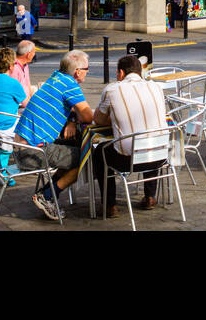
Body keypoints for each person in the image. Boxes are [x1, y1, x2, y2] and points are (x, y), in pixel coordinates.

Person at [12, 50, 95, 220]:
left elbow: (71, 108)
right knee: (87, 158)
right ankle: (48, 195)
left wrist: (72, 119)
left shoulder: (56, 76)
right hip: (33, 152)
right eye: (87, 69)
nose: (88, 72)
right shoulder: (70, 84)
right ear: (77, 72)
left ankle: (47, 193)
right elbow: (87, 116)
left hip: (21, 146)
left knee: (71, 148)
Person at [91, 54, 169, 217]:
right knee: (150, 140)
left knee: (99, 152)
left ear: (120, 73)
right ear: (140, 72)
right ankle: (150, 196)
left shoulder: (112, 89)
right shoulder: (156, 87)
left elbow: (98, 120)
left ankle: (109, 205)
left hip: (127, 161)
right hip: (161, 157)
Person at [0, 46, 28, 136]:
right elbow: (27, 104)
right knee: (30, 117)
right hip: (6, 127)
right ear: (10, 66)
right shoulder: (13, 83)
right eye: (15, 63)